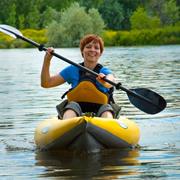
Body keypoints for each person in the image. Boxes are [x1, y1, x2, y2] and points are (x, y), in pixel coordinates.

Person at [41, 34, 118, 119]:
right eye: (88, 47)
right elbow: (46, 83)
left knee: (107, 110)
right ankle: (68, 125)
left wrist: (105, 81)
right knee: (70, 108)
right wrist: (47, 60)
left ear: (100, 53)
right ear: (82, 51)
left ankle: (105, 127)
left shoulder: (104, 71)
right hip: (75, 109)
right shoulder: (72, 70)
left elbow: (111, 80)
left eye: (96, 48)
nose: (92, 50)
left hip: (101, 109)